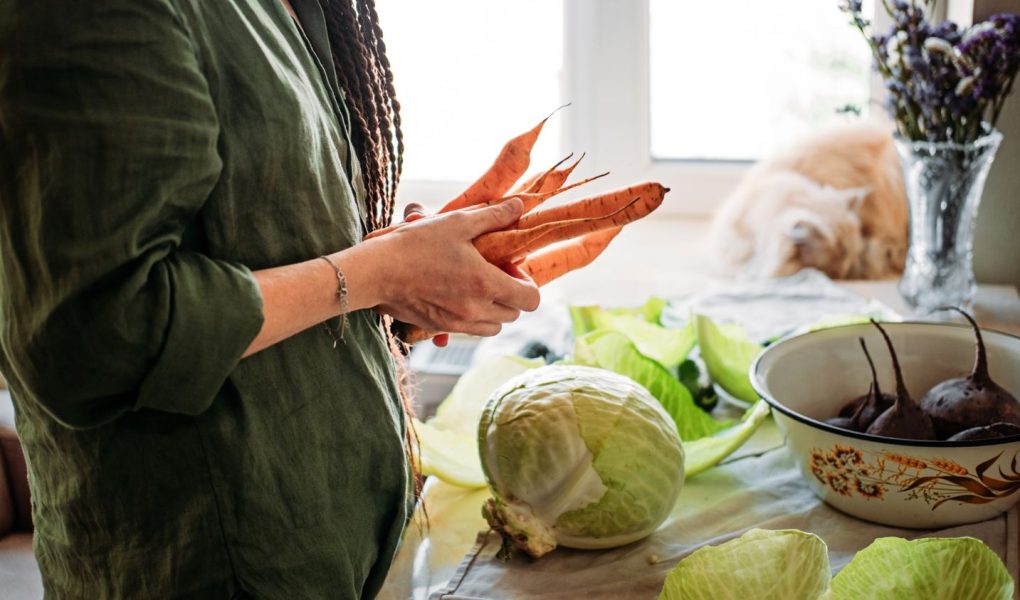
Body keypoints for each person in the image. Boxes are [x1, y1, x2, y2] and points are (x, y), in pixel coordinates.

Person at [0, 0, 540, 597]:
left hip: (341, 544)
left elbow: (266, 240)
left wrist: (409, 276)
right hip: (209, 568)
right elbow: (94, 334)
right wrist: (381, 272)